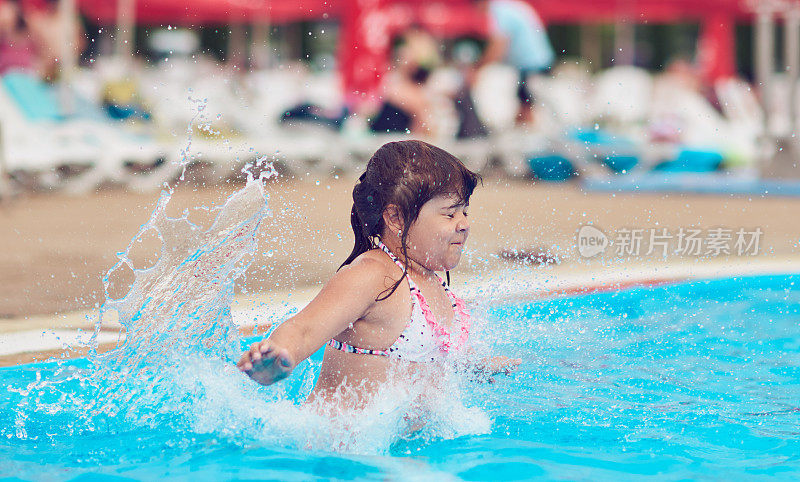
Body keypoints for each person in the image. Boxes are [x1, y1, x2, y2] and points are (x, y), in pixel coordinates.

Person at [237, 140, 520, 409]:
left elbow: (430, 358)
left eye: (465, 212)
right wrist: (278, 357)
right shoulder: (373, 275)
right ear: (395, 218)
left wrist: (476, 366)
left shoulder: (430, 282)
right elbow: (304, 328)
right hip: (334, 449)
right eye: (450, 214)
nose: (464, 224)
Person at [472, 0, 555, 126]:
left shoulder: (499, 9)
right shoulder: (508, 6)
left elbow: (499, 45)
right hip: (537, 61)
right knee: (525, 103)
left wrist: (479, 68)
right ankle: (527, 134)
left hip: (532, 63)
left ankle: (529, 138)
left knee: (527, 106)